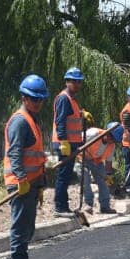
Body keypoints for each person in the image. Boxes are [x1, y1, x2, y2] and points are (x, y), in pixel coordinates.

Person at [4, 75, 49, 259]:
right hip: (20, 183)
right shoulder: (20, 121)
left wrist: (39, 184)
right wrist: (22, 179)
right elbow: (15, 153)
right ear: (24, 98)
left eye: (40, 99)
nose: (38, 103)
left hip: (31, 183)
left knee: (28, 225)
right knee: (21, 224)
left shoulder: (32, 120)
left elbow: (35, 155)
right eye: (34, 99)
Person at [52, 67, 86, 217]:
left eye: (79, 82)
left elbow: (71, 117)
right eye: (75, 82)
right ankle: (60, 207)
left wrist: (81, 114)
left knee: (66, 175)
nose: (78, 85)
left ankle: (64, 206)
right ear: (68, 82)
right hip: (64, 144)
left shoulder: (71, 99)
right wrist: (64, 141)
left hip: (71, 143)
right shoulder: (64, 98)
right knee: (63, 175)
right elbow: (60, 121)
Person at [81, 121, 120, 214]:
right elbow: (77, 144)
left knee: (104, 181)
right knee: (85, 180)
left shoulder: (111, 145)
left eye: (114, 140)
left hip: (96, 162)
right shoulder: (92, 134)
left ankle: (105, 206)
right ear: (107, 132)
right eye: (111, 137)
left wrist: (108, 176)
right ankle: (88, 204)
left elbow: (108, 163)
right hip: (81, 159)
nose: (111, 141)